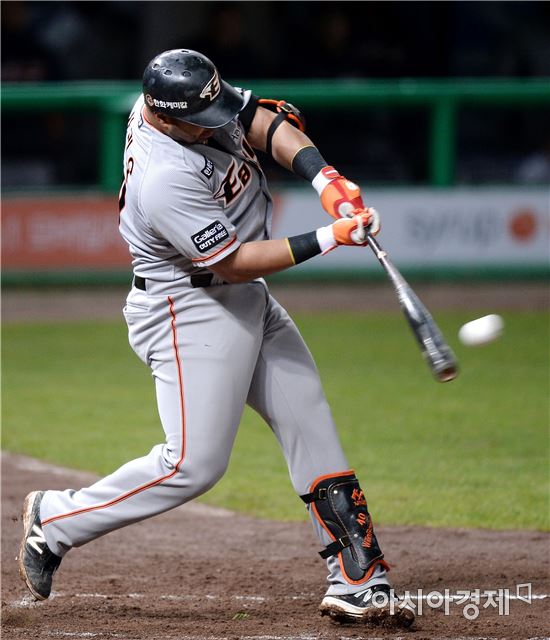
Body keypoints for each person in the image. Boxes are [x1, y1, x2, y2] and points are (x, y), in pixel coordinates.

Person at [18, 49, 414, 628]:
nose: (216, 122)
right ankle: (56, 521)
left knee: (308, 417)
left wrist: (325, 178)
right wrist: (330, 236)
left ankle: (358, 576)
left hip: (239, 296)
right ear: (164, 117)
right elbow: (232, 262)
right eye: (201, 119)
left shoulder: (185, 103)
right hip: (188, 307)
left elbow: (259, 119)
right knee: (193, 465)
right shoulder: (163, 178)